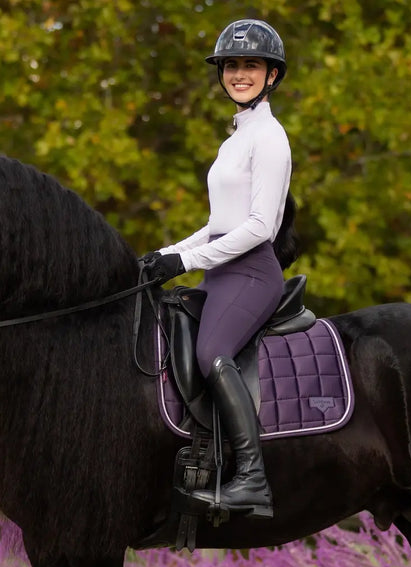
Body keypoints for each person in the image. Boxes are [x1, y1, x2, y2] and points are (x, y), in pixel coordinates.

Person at [139, 19, 291, 520]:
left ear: (271, 75)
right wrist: (163, 256)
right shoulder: (235, 138)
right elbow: (217, 225)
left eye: (251, 65)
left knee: (211, 353)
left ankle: (253, 479)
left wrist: (184, 261)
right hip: (221, 272)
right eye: (231, 66)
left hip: (251, 273)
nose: (239, 74)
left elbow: (259, 227)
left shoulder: (269, 137)